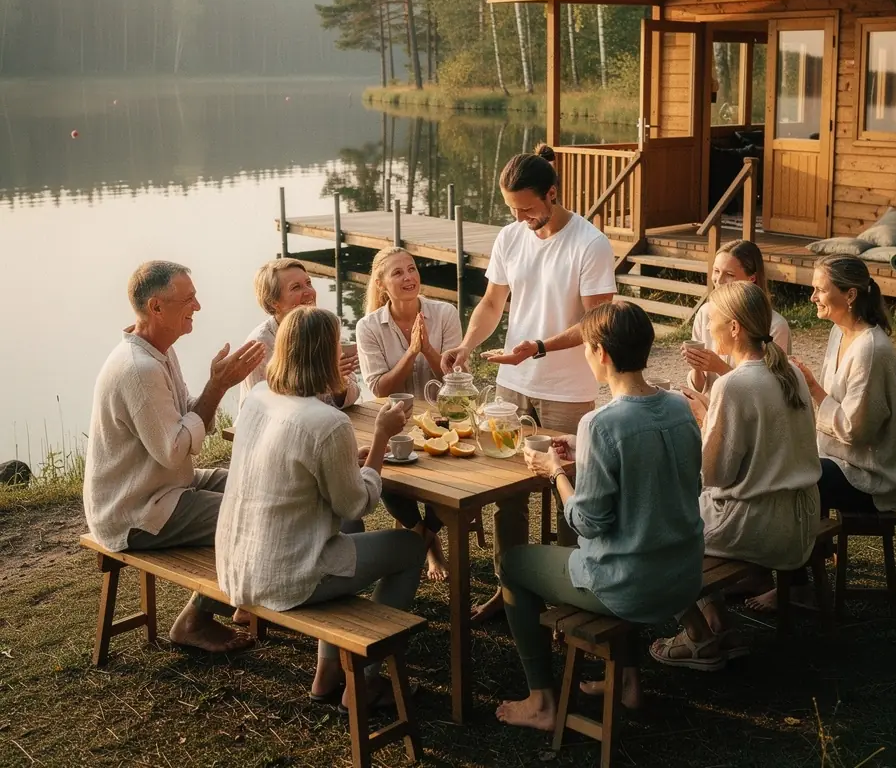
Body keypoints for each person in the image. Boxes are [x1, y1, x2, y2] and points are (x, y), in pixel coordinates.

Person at [495, 301, 705, 729]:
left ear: (601, 353)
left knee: (511, 563)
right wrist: (585, 457)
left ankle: (541, 701)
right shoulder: (681, 408)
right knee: (610, 548)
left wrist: (556, 474)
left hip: (631, 585)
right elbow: (650, 475)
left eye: (587, 349)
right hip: (683, 577)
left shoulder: (601, 424)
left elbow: (589, 523)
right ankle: (626, 682)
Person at [440, 144, 617, 622]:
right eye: (512, 209)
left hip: (568, 388)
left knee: (570, 497)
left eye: (528, 209)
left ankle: (566, 593)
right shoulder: (511, 237)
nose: (520, 218)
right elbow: (493, 304)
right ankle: (510, 588)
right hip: (511, 386)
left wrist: (537, 347)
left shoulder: (590, 244)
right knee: (506, 495)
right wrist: (469, 345)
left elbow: (597, 321)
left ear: (553, 194)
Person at [216, 306, 425, 706]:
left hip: (238, 560)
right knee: (411, 548)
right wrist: (381, 438)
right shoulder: (327, 423)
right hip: (283, 575)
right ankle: (362, 681)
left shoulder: (260, 397)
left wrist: (349, 460)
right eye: (337, 346)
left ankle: (327, 673)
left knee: (348, 538)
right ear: (322, 356)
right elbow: (355, 504)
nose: (344, 351)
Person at [83, 260, 265, 653]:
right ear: (156, 307)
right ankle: (194, 621)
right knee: (252, 517)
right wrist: (217, 387)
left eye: (195, 297)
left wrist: (217, 386)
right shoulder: (139, 368)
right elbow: (174, 449)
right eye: (188, 299)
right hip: (136, 508)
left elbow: (188, 421)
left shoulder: (160, 351)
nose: (197, 306)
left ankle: (248, 591)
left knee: (260, 485)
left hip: (168, 483)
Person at [649, 282, 820, 668]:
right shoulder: (790, 370)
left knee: (657, 525)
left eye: (712, 322)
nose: (708, 332)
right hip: (801, 519)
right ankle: (717, 620)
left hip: (758, 523)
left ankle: (697, 635)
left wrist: (702, 420)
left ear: (735, 329)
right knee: (683, 514)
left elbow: (716, 474)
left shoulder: (734, 384)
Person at [749, 254, 896, 611]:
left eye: (820, 290)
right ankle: (789, 571)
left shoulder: (870, 349)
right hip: (840, 459)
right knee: (785, 462)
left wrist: (811, 387)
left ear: (850, 295)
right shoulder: (840, 333)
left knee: (799, 481)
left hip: (873, 476)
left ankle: (798, 585)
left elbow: (854, 429)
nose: (812, 297)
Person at [356, 246, 463, 581]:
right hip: (397, 423)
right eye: (398, 273)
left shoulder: (445, 313)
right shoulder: (369, 326)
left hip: (443, 421)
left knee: (455, 477)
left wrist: (427, 349)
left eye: (412, 269)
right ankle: (427, 541)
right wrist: (411, 352)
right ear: (382, 284)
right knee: (385, 475)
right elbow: (378, 388)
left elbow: (456, 380)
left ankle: (419, 541)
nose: (408, 278)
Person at [238, 258, 359, 410]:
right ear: (273, 302)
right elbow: (260, 409)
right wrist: (325, 380)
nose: (309, 292)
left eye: (309, 283)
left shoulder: (324, 327)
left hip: (322, 423)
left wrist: (339, 382)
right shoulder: (260, 346)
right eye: (296, 287)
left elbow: (353, 395)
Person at [683, 239, 791, 394]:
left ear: (752, 278)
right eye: (716, 271)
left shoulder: (775, 325)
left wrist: (720, 367)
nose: (719, 281)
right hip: (709, 410)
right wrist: (697, 366)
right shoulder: (705, 313)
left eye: (729, 274)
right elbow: (699, 389)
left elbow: (771, 393)